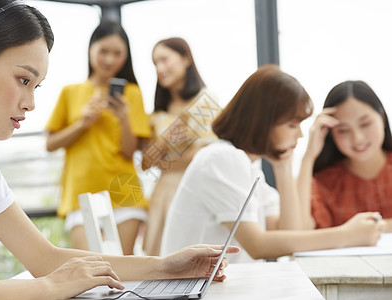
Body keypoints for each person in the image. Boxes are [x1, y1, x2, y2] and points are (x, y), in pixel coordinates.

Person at [0, 1, 238, 298]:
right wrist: (48, 287)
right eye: (23, 80)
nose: (30, 103)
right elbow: (48, 276)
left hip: (123, 193)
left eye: (36, 86)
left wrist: (163, 267)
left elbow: (45, 259)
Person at [161, 65, 385, 262]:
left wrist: (283, 167)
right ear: (264, 122)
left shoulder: (248, 165)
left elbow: (291, 233)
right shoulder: (222, 158)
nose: (300, 134)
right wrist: (346, 235)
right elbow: (259, 246)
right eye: (292, 124)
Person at [45, 20, 151, 254]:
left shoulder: (132, 94)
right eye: (104, 51)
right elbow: (50, 144)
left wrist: (123, 118)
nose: (110, 60)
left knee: (125, 272)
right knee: (92, 270)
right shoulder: (70, 92)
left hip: (124, 192)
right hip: (80, 192)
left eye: (118, 53)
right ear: (91, 49)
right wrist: (82, 124)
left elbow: (128, 151)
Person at [142, 37, 218, 256]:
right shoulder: (157, 113)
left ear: (186, 59)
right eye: (155, 63)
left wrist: (164, 161)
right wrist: (167, 140)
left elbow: (206, 154)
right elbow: (147, 162)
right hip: (163, 195)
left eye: (165, 59)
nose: (160, 68)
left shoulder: (206, 101)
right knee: (159, 262)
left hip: (195, 188)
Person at [297, 80, 392, 232]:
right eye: (343, 130)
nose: (358, 138)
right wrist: (308, 157)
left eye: (365, 124)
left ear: (382, 118)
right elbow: (300, 232)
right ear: (330, 134)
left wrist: (377, 228)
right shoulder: (325, 184)